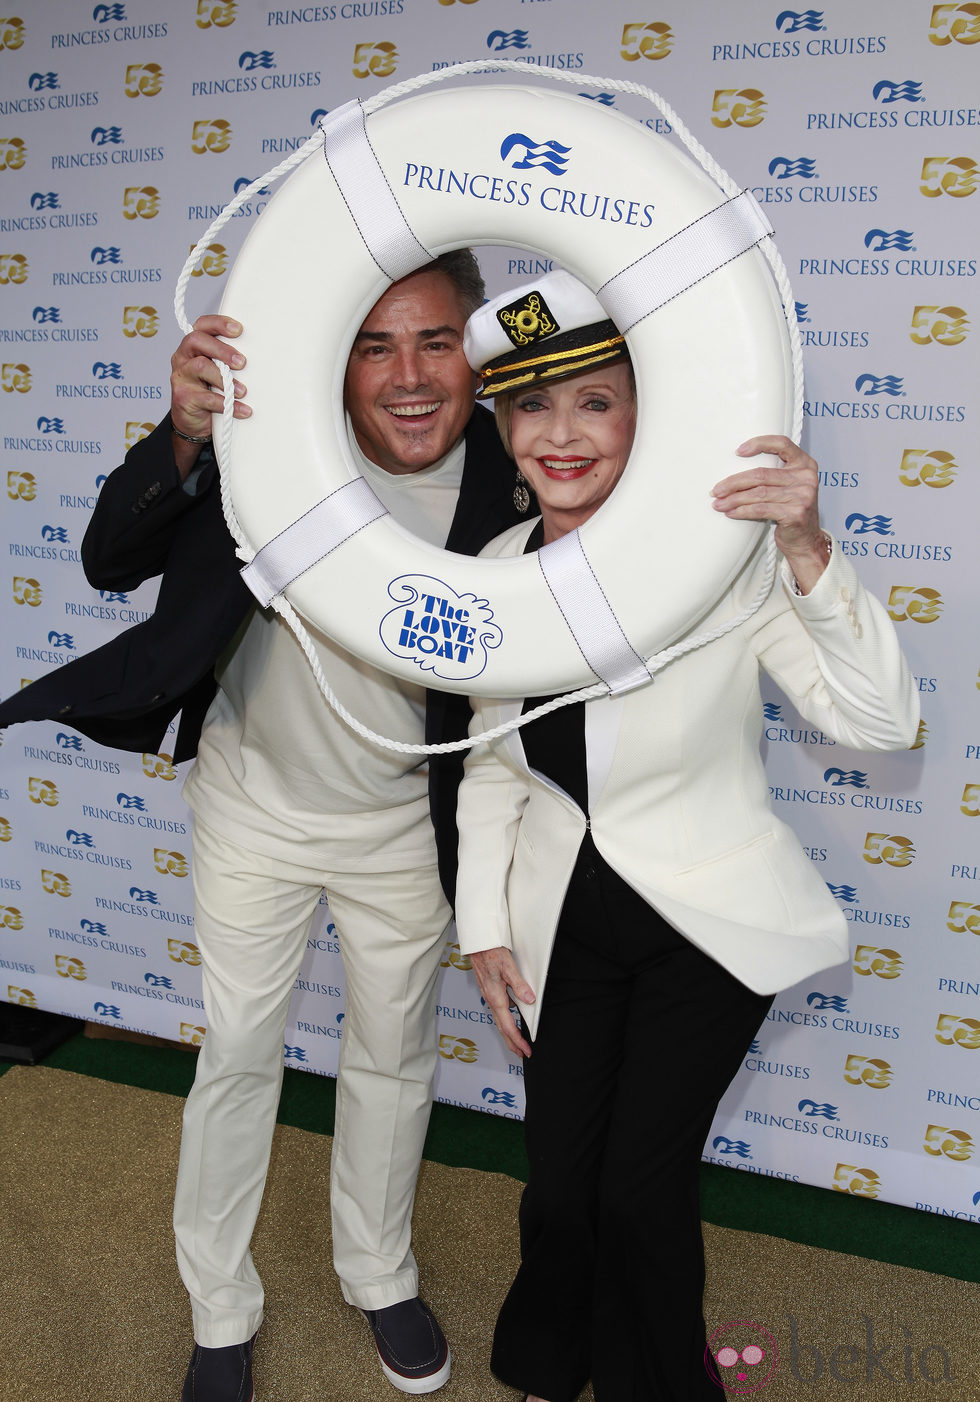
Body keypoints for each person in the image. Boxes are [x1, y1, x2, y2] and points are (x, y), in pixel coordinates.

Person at [0, 251, 525, 1400]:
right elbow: (108, 556)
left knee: (391, 1057)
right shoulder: (262, 439)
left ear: (475, 351)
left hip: (405, 830)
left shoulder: (519, 466)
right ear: (333, 358)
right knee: (237, 1054)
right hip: (253, 808)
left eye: (435, 340)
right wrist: (183, 432)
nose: (406, 375)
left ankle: (377, 1271)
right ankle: (219, 1303)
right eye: (373, 345)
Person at [453, 270, 919, 1402]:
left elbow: (879, 721)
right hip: (559, 919)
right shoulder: (493, 576)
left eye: (594, 402)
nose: (560, 435)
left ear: (640, 414)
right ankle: (544, 1360)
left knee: (635, 1191)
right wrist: (480, 931)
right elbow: (487, 770)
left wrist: (805, 542)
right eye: (529, 407)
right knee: (559, 1183)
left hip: (703, 926)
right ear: (501, 427)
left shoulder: (726, 555)